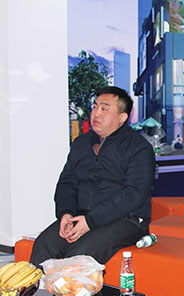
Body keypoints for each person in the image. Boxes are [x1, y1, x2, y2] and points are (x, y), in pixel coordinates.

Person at [30, 86, 155, 266]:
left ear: (122, 117)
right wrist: (66, 213)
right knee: (44, 244)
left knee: (80, 254)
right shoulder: (81, 143)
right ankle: (40, 286)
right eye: (95, 107)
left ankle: (72, 286)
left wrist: (91, 221)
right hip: (81, 216)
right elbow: (67, 183)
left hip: (127, 220)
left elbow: (133, 195)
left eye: (104, 109)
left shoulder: (139, 149)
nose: (96, 113)